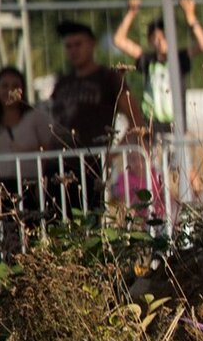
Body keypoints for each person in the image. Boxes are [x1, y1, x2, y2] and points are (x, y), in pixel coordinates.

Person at [47, 20, 145, 217]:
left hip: (91, 167)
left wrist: (111, 155)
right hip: (57, 167)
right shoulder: (62, 82)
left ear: (91, 44)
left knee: (91, 222)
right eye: (68, 46)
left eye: (78, 44)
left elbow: (136, 121)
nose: (73, 50)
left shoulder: (109, 78)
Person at [113, 0, 203, 134]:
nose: (160, 41)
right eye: (156, 38)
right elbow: (119, 40)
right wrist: (131, 13)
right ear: (150, 41)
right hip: (151, 127)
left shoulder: (179, 58)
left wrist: (191, 17)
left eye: (164, 37)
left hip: (176, 126)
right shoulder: (148, 59)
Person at [0, 66, 57, 214]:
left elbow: (46, 151)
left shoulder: (36, 117)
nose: (9, 91)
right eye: (4, 86)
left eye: (15, 86)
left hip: (28, 186)